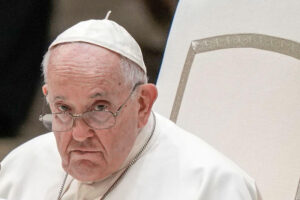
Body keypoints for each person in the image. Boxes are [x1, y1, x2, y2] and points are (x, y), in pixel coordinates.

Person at [0, 14, 258, 200]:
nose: (78, 135)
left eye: (99, 108)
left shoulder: (211, 186)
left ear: (143, 104)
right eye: (64, 109)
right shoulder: (20, 169)